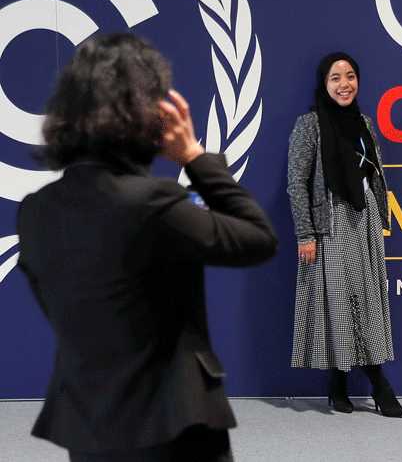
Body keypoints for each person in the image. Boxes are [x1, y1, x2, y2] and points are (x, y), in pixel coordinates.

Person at [16, 32, 278, 461]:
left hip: (89, 429)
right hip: (173, 429)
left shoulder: (34, 211)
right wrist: (195, 157)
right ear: (145, 110)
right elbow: (258, 239)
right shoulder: (150, 202)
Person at [286, 52, 402, 417]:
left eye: (350, 76)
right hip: (330, 221)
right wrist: (305, 234)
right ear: (324, 83)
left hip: (364, 217)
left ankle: (337, 384)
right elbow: (297, 183)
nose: (344, 84)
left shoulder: (364, 122)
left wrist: (379, 213)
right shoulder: (309, 125)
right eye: (335, 78)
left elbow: (374, 173)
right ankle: (380, 386)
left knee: (363, 298)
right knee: (342, 299)